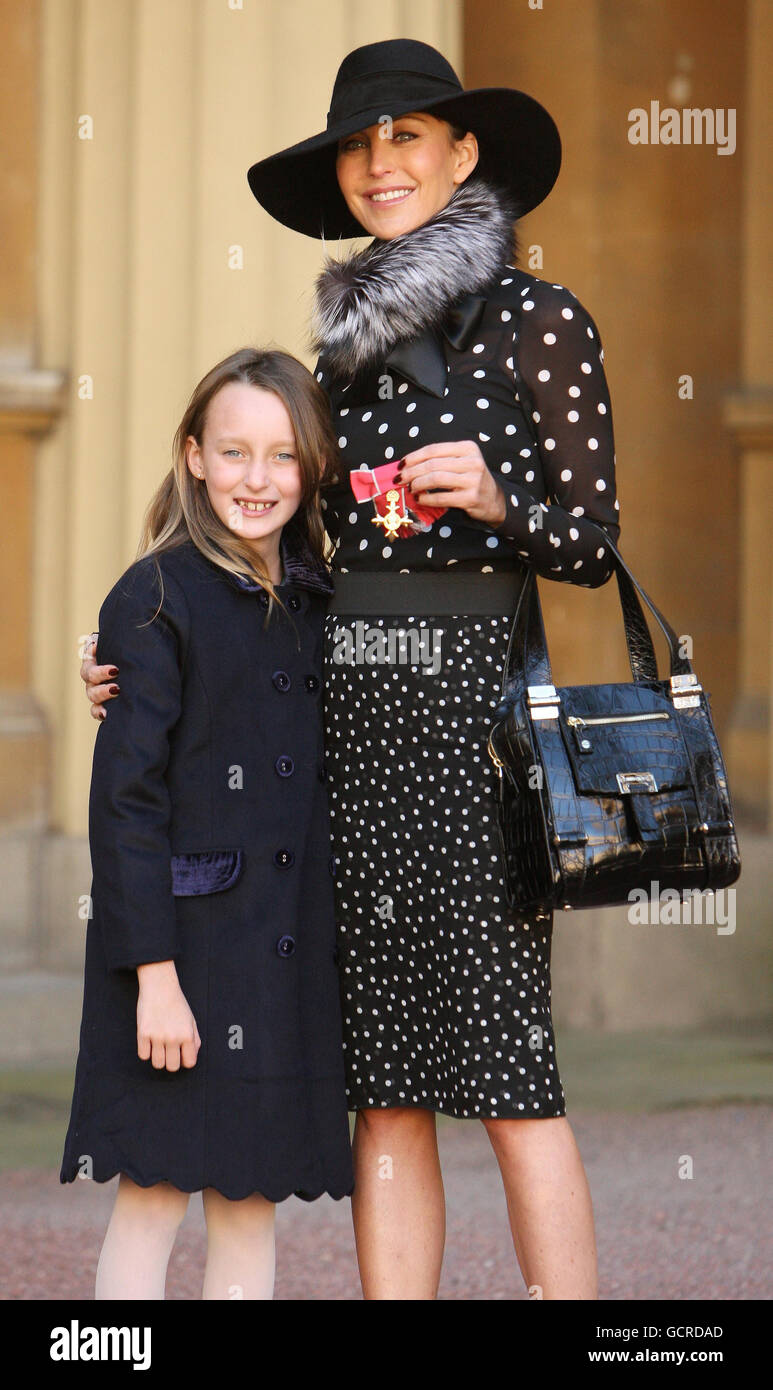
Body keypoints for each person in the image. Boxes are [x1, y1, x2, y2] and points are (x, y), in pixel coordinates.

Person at [83, 39, 621, 1300]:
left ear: (462, 152)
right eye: (361, 144)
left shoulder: (542, 321)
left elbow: (593, 545)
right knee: (380, 1093)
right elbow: (282, 566)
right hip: (339, 754)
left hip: (467, 747)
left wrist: (496, 495)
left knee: (507, 1076)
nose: (382, 163)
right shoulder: (335, 362)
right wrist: (152, 666)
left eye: (409, 136)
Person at [62, 347, 354, 1300]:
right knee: (151, 1196)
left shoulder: (322, 600)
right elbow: (127, 804)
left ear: (310, 466)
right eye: (233, 453)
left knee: (248, 1202)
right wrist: (152, 978)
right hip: (180, 962)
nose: (256, 479)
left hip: (278, 963)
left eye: (281, 456)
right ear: (193, 456)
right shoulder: (153, 598)